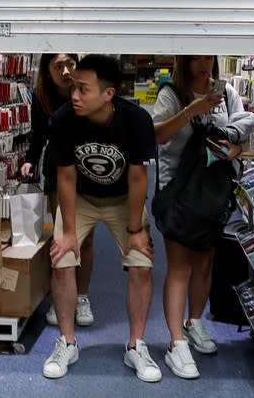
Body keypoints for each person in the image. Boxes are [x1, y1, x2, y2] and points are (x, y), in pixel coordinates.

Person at [42, 54, 161, 382]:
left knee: (141, 263)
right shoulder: (65, 119)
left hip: (125, 200)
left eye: (83, 89)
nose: (74, 95)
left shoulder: (136, 120)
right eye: (74, 88)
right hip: (81, 197)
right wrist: (67, 231)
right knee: (62, 257)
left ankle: (135, 346)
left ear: (108, 94)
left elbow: (138, 178)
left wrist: (135, 229)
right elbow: (65, 177)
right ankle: (67, 342)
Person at [152, 55, 254, 379]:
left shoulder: (226, 93)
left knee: (206, 261)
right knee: (180, 266)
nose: (202, 63)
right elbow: (157, 135)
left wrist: (235, 150)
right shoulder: (171, 93)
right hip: (179, 192)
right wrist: (191, 112)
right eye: (194, 57)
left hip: (213, 193)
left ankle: (194, 322)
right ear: (183, 60)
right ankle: (176, 342)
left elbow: (244, 134)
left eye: (207, 56)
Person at [19, 53, 96, 327]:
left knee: (85, 239)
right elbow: (38, 134)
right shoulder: (42, 98)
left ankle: (82, 296)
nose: (65, 71)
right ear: (48, 71)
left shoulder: (88, 90)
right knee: (62, 235)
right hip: (56, 170)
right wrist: (29, 159)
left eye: (69, 64)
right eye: (58, 66)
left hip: (87, 170)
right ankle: (62, 296)